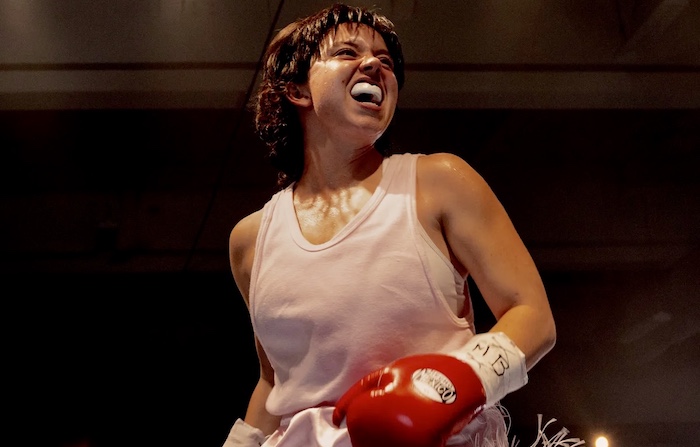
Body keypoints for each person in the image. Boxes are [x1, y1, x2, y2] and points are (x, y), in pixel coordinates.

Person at [223, 3, 571, 447]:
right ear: (297, 89)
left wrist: (454, 384)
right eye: (347, 52)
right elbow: (275, 379)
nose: (374, 64)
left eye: (385, 60)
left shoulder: (439, 183)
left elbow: (532, 315)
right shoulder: (251, 239)